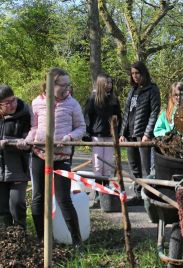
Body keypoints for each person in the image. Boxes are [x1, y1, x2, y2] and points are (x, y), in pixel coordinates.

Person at [20, 67, 86, 246]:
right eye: (63, 85)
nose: (67, 89)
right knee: (38, 197)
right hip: (39, 154)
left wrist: (69, 137)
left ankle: (76, 241)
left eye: (68, 85)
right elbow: (34, 127)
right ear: (51, 85)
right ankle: (42, 239)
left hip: (61, 156)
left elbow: (81, 127)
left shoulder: (73, 104)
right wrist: (28, 139)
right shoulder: (36, 103)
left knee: (63, 198)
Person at [0, 85, 32, 229]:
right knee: (1, 205)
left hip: (18, 168)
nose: (12, 104)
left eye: (13, 99)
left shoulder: (26, 113)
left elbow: (31, 137)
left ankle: (21, 232)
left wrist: (19, 142)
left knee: (17, 203)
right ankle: (4, 235)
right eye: (7, 103)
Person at [119, 61, 161, 205]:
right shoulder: (132, 91)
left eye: (137, 73)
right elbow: (127, 113)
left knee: (147, 167)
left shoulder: (152, 89)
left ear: (143, 73)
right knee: (134, 166)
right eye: (133, 73)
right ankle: (138, 195)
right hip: (130, 133)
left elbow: (155, 112)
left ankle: (150, 197)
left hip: (143, 134)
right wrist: (122, 133)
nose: (135, 76)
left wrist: (148, 133)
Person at [83, 73, 121, 208]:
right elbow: (87, 117)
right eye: (107, 83)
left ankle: (106, 191)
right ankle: (98, 192)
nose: (109, 85)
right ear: (100, 84)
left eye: (111, 83)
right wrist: (86, 133)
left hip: (110, 136)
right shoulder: (92, 99)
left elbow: (119, 118)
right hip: (97, 135)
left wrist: (119, 133)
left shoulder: (114, 100)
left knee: (108, 164)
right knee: (98, 165)